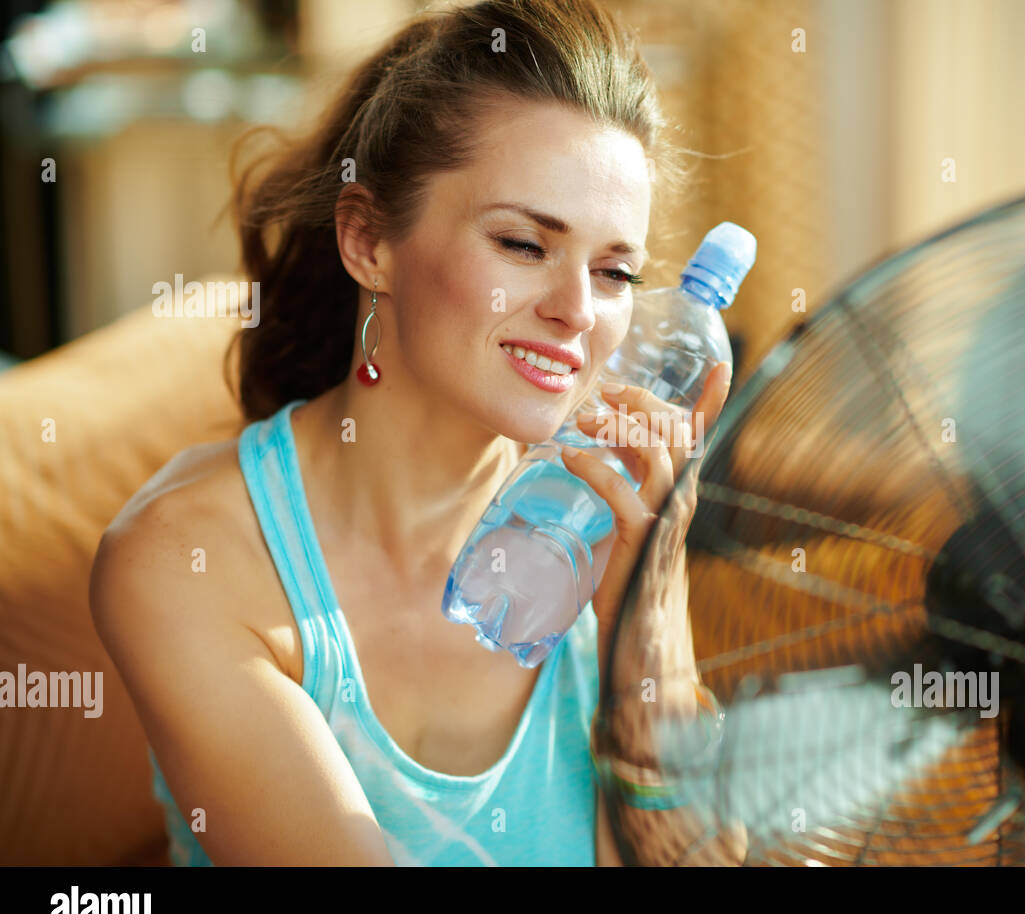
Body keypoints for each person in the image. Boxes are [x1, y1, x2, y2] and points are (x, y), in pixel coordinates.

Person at [90, 0, 744, 865]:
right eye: (520, 243)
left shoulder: (602, 531)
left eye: (616, 270)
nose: (578, 311)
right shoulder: (186, 559)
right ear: (368, 242)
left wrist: (650, 624)